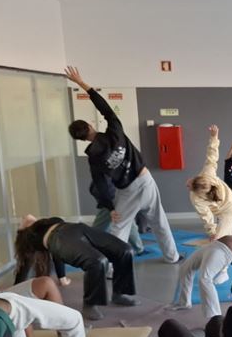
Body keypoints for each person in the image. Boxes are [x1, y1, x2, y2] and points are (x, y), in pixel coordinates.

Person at [65, 66, 181, 263]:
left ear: (81, 139)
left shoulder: (93, 158)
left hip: (126, 191)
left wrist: (110, 208)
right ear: (91, 126)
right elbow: (105, 109)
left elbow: (101, 184)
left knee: (119, 228)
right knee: (159, 221)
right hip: (144, 179)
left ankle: (111, 269)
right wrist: (83, 84)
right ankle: (172, 257)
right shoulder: (115, 131)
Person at [15, 215, 138, 321]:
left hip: (77, 228)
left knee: (125, 250)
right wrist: (15, 291)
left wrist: (62, 277)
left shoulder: (45, 222)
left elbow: (56, 257)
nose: (28, 217)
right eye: (23, 220)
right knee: (96, 261)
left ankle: (120, 293)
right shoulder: (27, 237)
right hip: (59, 238)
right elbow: (24, 267)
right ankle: (90, 304)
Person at [188, 125, 232, 241]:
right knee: (218, 237)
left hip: (231, 209)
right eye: (190, 182)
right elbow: (212, 156)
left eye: (189, 185)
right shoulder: (207, 174)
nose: (187, 183)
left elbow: (206, 216)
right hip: (222, 208)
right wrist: (214, 137)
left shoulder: (196, 196)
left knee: (220, 238)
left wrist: (213, 233)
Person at [89, 174, 145, 255]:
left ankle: (139, 248)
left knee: (99, 227)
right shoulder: (103, 172)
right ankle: (139, 248)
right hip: (111, 199)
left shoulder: (106, 172)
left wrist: (110, 207)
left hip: (112, 199)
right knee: (127, 223)